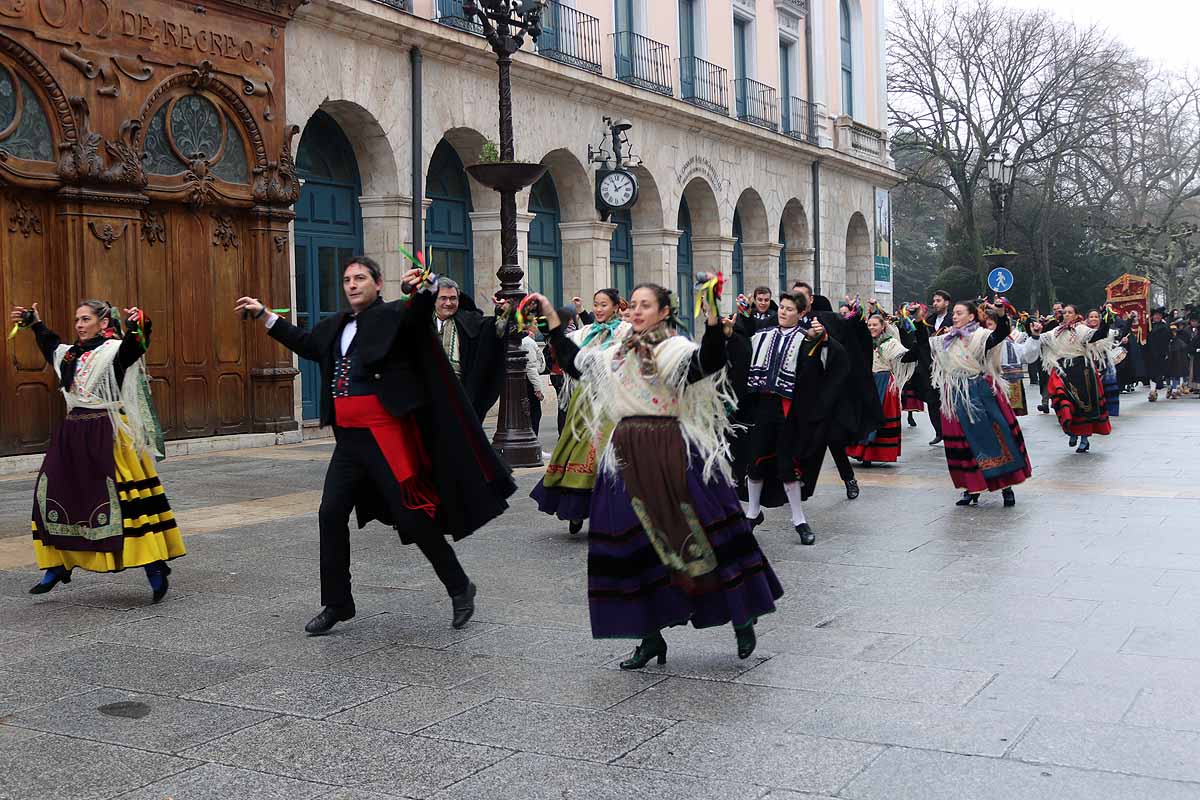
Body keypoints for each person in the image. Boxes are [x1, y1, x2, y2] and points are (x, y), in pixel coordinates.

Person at [234, 257, 516, 635]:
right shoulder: (336, 325)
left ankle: (459, 586)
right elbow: (306, 343)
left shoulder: (394, 316)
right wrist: (266, 316)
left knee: (413, 516)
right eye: (348, 279)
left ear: (378, 283)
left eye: (360, 278)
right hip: (348, 442)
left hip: (385, 439)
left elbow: (418, 313)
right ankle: (337, 602)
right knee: (330, 512)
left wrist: (424, 287)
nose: (352, 285)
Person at [528, 284, 783, 669]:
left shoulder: (674, 349)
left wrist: (712, 317)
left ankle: (741, 614)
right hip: (625, 455)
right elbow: (575, 361)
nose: (637, 311)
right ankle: (649, 638)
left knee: (705, 536)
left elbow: (709, 362)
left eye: (646, 305)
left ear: (664, 312)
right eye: (635, 305)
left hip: (673, 451)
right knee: (630, 547)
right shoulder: (615, 353)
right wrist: (550, 319)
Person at [10, 300, 182, 600]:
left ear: (102, 323)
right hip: (73, 432)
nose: (78, 324)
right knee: (54, 495)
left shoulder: (114, 352)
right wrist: (35, 322)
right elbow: (49, 343)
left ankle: (154, 566)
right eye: (77, 318)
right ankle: (59, 564)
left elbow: (137, 344)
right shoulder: (68, 354)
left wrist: (140, 323)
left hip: (108, 431)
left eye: (85, 319)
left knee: (124, 503)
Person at [734, 293, 850, 544]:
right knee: (754, 463)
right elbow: (741, 352)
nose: (784, 312)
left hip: (789, 411)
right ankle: (753, 513)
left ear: (800, 314)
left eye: (789, 309)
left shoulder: (806, 340)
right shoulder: (762, 335)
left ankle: (798, 519)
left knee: (788, 466)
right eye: (782, 308)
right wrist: (731, 328)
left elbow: (825, 367)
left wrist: (822, 339)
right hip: (762, 407)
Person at [531, 289, 630, 536]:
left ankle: (608, 513)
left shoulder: (626, 333)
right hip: (585, 401)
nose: (598, 309)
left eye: (604, 304)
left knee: (608, 455)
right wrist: (545, 313)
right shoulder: (584, 333)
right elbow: (555, 337)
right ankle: (574, 510)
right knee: (577, 451)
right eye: (595, 304)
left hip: (615, 403)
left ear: (617, 306)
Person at [931, 300, 1032, 507]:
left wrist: (1001, 314)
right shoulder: (944, 340)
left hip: (979, 391)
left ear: (971, 316)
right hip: (955, 394)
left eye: (959, 313)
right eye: (954, 314)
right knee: (963, 442)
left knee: (995, 436)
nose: (955, 317)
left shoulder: (981, 336)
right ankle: (972, 488)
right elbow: (921, 346)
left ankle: (1006, 486)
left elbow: (1001, 333)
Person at [1034, 304, 1111, 453]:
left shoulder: (1082, 330)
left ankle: (1084, 438)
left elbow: (1098, 335)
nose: (1067, 315)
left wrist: (1107, 321)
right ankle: (1071, 431)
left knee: (1083, 406)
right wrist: (1031, 327)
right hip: (1063, 371)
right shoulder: (1055, 332)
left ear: (1076, 315)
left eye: (1070, 312)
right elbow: (1038, 339)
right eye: (1065, 313)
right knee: (1063, 402)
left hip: (1082, 371)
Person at [845, 311, 918, 466]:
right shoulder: (864, 341)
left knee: (879, 417)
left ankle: (871, 453)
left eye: (875, 325)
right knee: (863, 415)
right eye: (869, 325)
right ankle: (861, 451)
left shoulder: (890, 343)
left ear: (883, 326)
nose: (871, 327)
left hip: (884, 382)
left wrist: (918, 346)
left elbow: (904, 356)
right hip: (867, 381)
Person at [433, 278, 507, 419]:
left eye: (453, 298)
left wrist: (502, 312)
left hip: (459, 396)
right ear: (434, 300)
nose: (448, 303)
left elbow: (495, 330)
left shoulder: (470, 321)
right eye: (443, 298)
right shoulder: (420, 322)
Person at [984, 311, 1040, 415]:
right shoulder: (977, 343)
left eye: (990, 324)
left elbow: (1027, 354)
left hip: (1006, 386)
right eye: (984, 325)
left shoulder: (1009, 345)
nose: (987, 328)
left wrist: (1035, 336)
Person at [923, 290, 954, 441]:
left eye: (938, 300)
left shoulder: (953, 319)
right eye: (934, 301)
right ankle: (938, 431)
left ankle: (950, 429)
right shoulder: (929, 320)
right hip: (931, 364)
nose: (935, 303)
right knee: (932, 399)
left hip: (949, 364)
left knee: (947, 398)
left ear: (946, 302)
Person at [520, 321, 546, 438]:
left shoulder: (528, 341)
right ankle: (533, 441)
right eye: (535, 324)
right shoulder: (528, 343)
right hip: (529, 381)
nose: (537, 327)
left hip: (526, 380)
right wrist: (538, 389)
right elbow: (531, 367)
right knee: (535, 414)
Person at [1146, 307, 1170, 402]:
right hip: (1149, 352)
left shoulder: (1164, 327)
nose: (1156, 317)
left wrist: (1165, 352)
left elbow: (1167, 340)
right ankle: (1152, 391)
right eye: (1155, 315)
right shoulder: (1148, 326)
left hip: (1160, 353)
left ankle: (1157, 390)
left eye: (1159, 315)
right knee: (1151, 372)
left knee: (1159, 372)